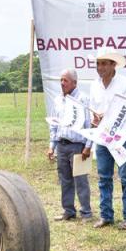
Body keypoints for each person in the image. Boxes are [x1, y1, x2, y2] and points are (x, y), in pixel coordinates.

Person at [89, 50, 126, 229]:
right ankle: (106, 215)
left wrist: (109, 117)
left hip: (121, 137)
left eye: (103, 64)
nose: (100, 68)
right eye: (98, 64)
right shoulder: (95, 85)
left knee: (125, 176)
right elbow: (93, 108)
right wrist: (95, 118)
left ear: (113, 65)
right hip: (102, 136)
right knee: (103, 177)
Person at [47, 68, 93, 221]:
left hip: (77, 146)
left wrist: (88, 146)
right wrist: (52, 145)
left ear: (74, 82)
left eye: (65, 80)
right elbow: (54, 124)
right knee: (64, 179)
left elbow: (89, 125)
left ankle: (86, 212)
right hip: (61, 145)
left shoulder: (83, 99)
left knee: (80, 180)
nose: (62, 83)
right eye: (61, 80)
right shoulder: (58, 99)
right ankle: (68, 210)